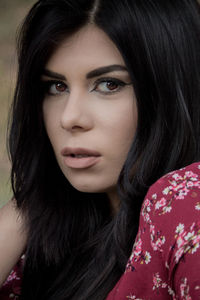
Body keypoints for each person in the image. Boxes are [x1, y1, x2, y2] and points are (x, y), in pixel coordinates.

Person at [0, 0, 200, 299]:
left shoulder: (187, 201)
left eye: (108, 84)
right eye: (56, 86)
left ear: (170, 88)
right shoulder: (45, 246)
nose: (69, 118)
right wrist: (27, 205)